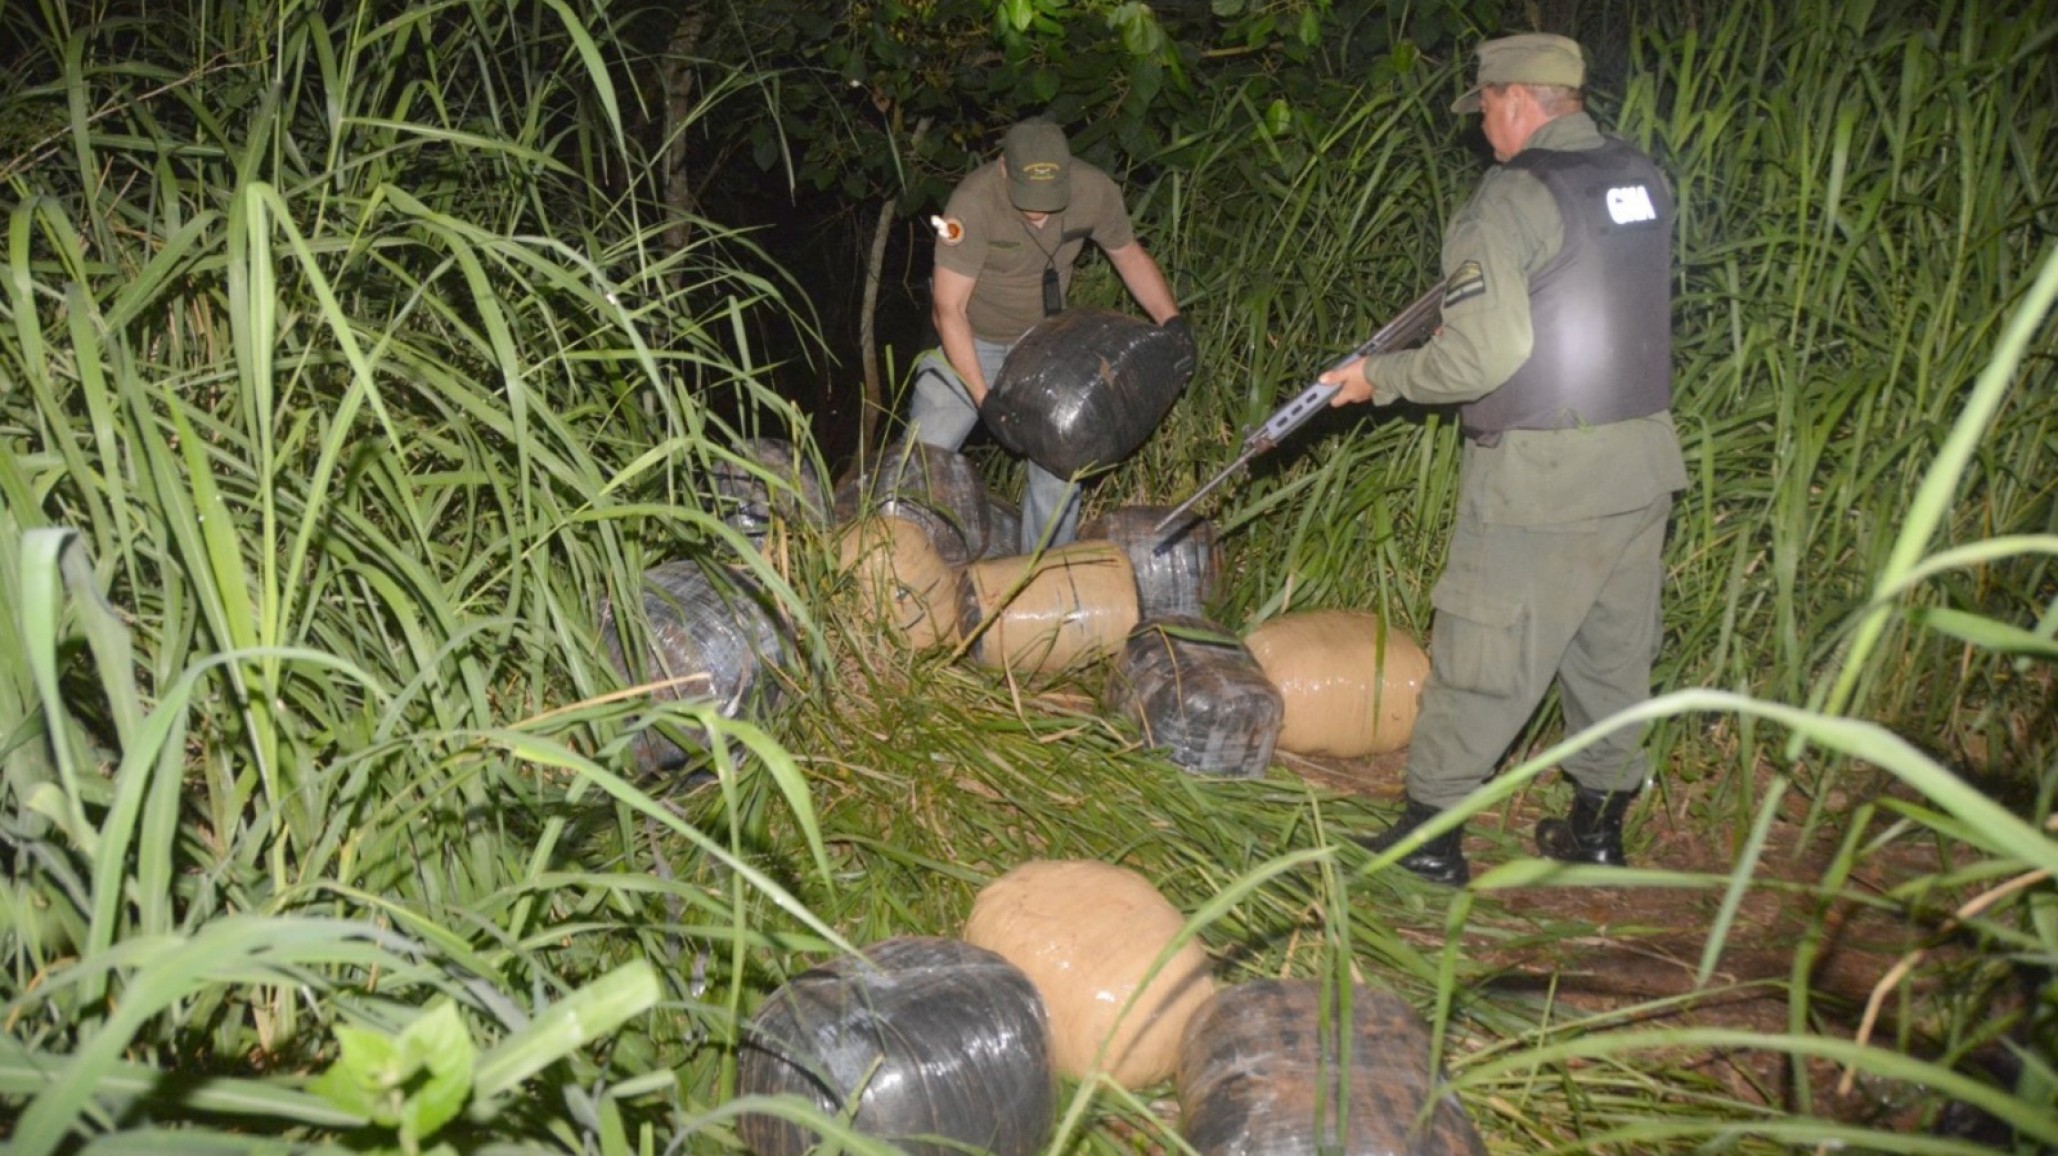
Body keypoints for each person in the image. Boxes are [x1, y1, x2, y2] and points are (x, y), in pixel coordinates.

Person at [1318, 32, 1689, 885]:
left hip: (1542, 476)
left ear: (1517, 99)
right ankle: (1598, 829)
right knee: (1612, 653)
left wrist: (1380, 377)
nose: (1482, 127)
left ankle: (1430, 838)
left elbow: (1482, 359)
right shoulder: (1642, 177)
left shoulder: (1510, 198)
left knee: (1485, 652)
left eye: (1484, 107)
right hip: (1641, 461)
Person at [913, 119, 1183, 554]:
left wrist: (1173, 323)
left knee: (1061, 464)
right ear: (1004, 168)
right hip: (970, 338)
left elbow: (1129, 256)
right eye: (1027, 199)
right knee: (925, 456)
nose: (1038, 214)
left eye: (1048, 199)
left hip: (1046, 345)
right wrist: (984, 400)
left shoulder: (1094, 192)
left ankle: (1043, 569)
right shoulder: (971, 204)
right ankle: (901, 557)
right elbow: (949, 309)